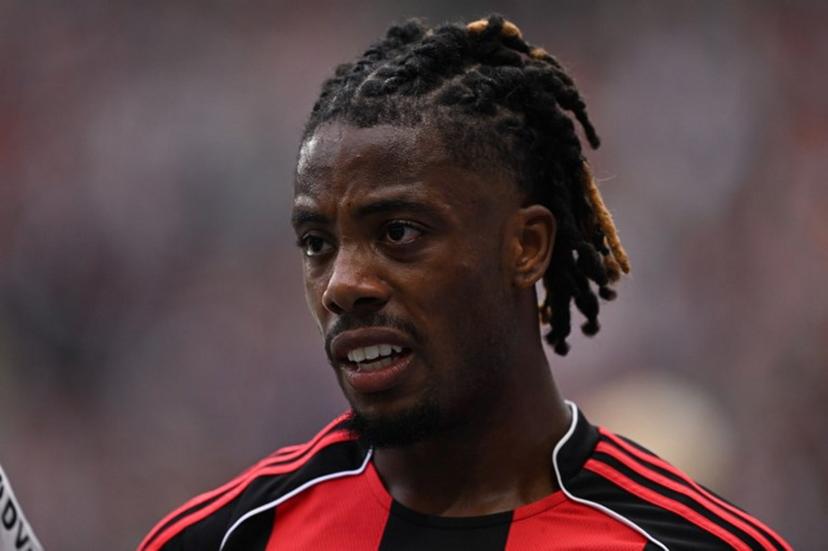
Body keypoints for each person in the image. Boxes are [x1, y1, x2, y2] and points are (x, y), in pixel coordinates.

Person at [138, 15, 791, 550]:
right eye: (317, 243)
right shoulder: (224, 539)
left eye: (399, 233)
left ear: (526, 246)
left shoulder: (685, 542)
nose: (342, 284)